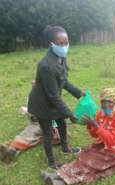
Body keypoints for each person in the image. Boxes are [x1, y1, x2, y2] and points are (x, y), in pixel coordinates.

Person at [41, 88, 115, 185]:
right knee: (85, 156)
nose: (105, 105)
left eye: (109, 102)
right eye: (103, 101)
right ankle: (58, 176)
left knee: (92, 163)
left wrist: (96, 126)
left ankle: (60, 181)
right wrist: (90, 126)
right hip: (106, 145)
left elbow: (113, 140)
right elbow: (95, 135)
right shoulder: (101, 113)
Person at [28, 25, 84, 169]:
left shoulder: (61, 57)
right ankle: (52, 162)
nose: (64, 46)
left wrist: (78, 93)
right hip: (42, 103)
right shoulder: (46, 65)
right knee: (48, 133)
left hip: (53, 101)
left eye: (66, 42)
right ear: (51, 44)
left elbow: (63, 81)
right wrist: (70, 113)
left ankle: (65, 148)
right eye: (60, 43)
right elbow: (53, 95)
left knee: (62, 124)